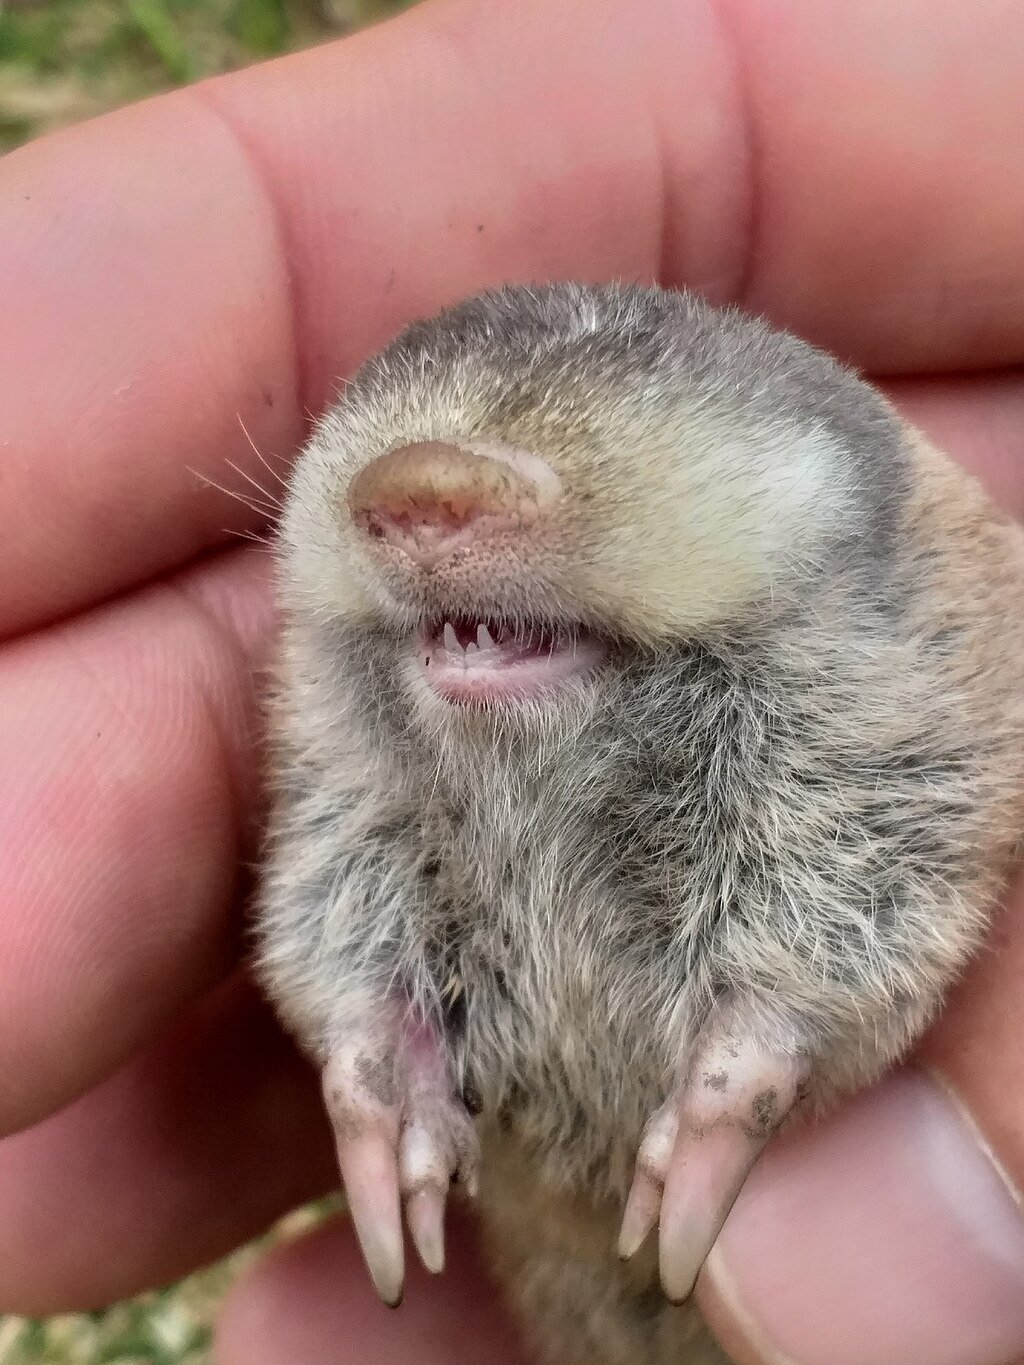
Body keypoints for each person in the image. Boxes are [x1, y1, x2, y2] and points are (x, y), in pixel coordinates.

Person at [0, 0, 1022, 1360]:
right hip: (573, 1290)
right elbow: (339, 874)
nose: (420, 524)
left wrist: (771, 1040)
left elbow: (902, 854)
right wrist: (377, 1052)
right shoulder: (358, 682)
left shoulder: (897, 612)